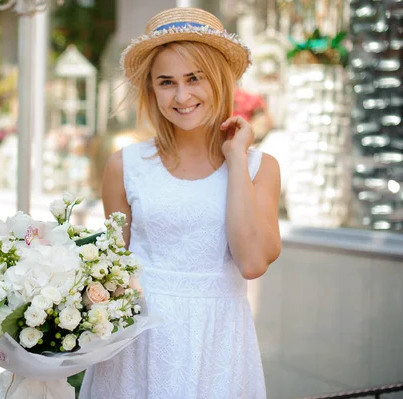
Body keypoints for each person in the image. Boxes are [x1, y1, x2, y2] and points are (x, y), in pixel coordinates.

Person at [79, 7, 281, 399]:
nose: (182, 95)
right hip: (136, 351)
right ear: (152, 90)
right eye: (166, 82)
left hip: (217, 345)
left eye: (194, 78)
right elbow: (112, 273)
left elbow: (253, 262)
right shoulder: (125, 165)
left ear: (220, 79)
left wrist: (236, 158)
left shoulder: (260, 167)